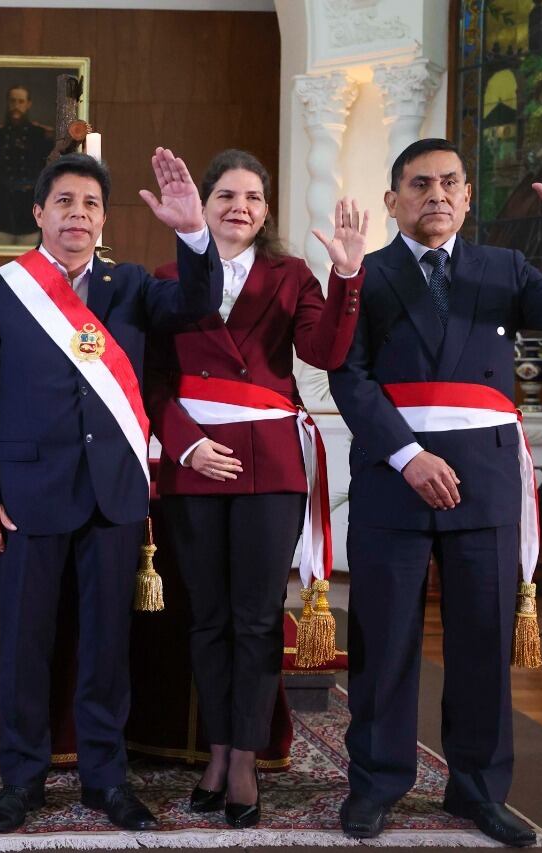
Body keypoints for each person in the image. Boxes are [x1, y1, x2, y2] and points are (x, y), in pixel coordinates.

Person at [328, 138, 542, 847]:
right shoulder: (367, 272)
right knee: (383, 640)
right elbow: (348, 375)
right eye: (419, 184)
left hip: (482, 481)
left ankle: (478, 788)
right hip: (395, 478)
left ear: (467, 194)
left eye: (450, 182)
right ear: (394, 200)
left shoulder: (503, 267)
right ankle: (377, 783)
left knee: (482, 642)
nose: (437, 195)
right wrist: (408, 454)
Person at [0, 149, 223, 834]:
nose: (78, 215)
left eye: (91, 205)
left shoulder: (129, 284)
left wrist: (194, 235)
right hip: (25, 495)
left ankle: (106, 777)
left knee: (106, 646)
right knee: (24, 644)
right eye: (64, 202)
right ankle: (21, 779)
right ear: (38, 213)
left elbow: (197, 303)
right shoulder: (4, 290)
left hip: (113, 495)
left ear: (104, 219)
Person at [145, 148, 366, 828]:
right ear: (202, 204)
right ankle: (215, 748)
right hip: (194, 460)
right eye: (226, 195)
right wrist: (184, 441)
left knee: (257, 617)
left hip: (270, 463)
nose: (239, 206)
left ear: (266, 210)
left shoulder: (292, 274)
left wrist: (348, 276)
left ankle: (245, 757)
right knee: (206, 617)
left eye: (253, 196)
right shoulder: (164, 278)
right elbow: (151, 377)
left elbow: (324, 353)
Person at [0, 85, 53, 245]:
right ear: (8, 103)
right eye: (13, 101)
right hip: (4, 206)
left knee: (30, 261)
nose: (16, 105)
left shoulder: (42, 135)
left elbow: (50, 172)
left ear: (28, 104)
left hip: (31, 206)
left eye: (21, 101)